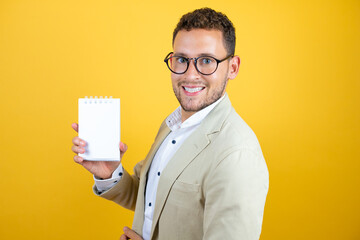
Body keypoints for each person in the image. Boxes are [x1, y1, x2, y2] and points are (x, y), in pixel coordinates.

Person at [72, 7, 269, 240]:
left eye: (206, 61)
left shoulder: (237, 154)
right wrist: (110, 174)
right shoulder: (173, 124)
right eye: (182, 59)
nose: (190, 74)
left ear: (232, 67)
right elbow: (155, 200)